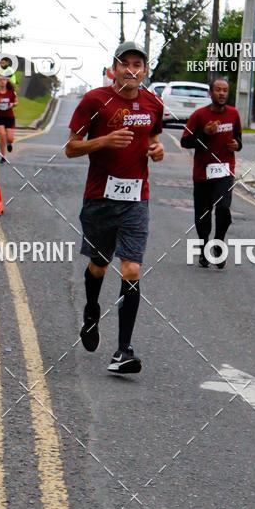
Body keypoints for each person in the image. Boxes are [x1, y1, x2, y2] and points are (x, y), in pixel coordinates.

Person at [66, 41, 164, 374]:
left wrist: (157, 150)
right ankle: (92, 310)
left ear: (145, 70)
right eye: (125, 64)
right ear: (114, 69)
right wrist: (104, 141)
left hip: (137, 198)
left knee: (132, 268)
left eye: (138, 64)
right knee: (99, 265)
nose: (131, 70)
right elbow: (71, 148)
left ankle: (123, 350)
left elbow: (153, 140)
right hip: (99, 199)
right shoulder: (95, 100)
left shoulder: (153, 104)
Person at [180, 77, 242, 269]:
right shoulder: (199, 115)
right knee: (203, 215)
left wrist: (237, 145)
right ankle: (204, 248)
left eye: (225, 90)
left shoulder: (233, 114)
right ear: (210, 93)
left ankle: (218, 244)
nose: (222, 93)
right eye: (218, 90)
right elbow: (185, 142)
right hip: (202, 173)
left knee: (223, 209)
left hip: (225, 171)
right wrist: (204, 133)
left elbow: (238, 138)